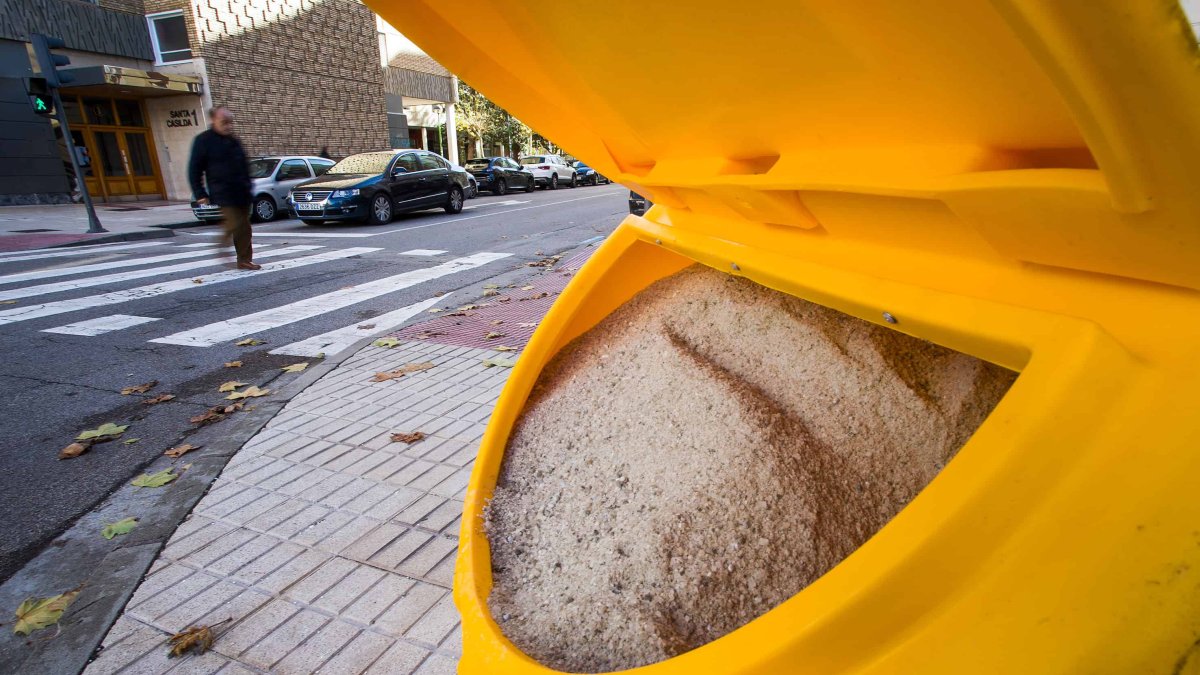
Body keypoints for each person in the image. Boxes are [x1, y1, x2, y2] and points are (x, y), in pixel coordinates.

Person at [188, 106, 260, 270]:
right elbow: (194, 169)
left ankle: (244, 259)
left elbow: (244, 165)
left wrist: (249, 186)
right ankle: (221, 245)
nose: (228, 126)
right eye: (224, 122)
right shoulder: (203, 141)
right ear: (213, 120)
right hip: (223, 191)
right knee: (235, 223)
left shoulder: (233, 141)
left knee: (245, 228)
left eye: (230, 122)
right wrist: (200, 192)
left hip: (241, 191)